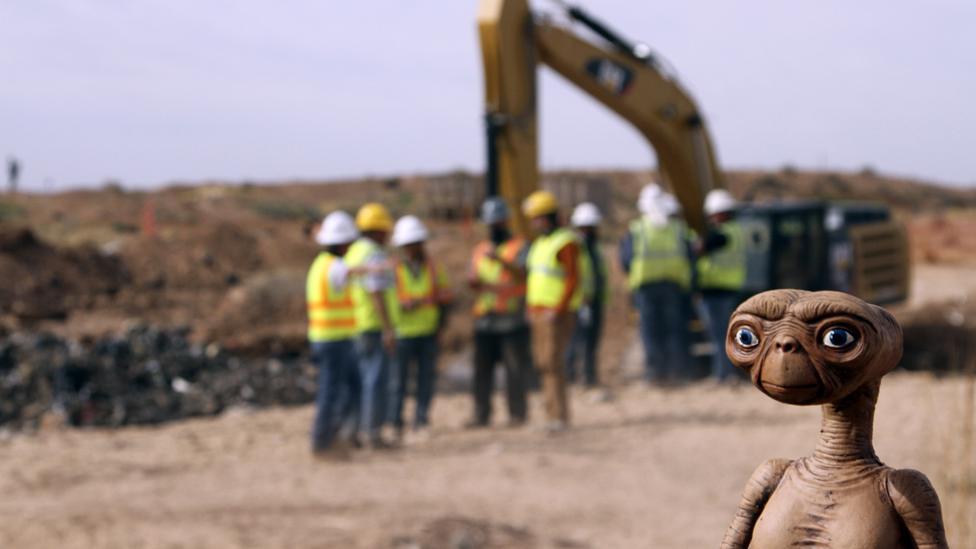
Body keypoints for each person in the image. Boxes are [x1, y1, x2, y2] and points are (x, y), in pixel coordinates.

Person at [523, 190, 586, 432]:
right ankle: (551, 414)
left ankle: (559, 416)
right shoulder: (540, 244)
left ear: (547, 217)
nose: (532, 223)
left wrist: (558, 308)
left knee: (552, 363)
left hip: (555, 314)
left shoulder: (565, 242)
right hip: (538, 312)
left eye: (535, 217)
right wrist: (531, 308)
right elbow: (535, 279)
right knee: (543, 363)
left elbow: (572, 279)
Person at [467, 197, 532, 428]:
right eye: (490, 223)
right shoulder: (480, 249)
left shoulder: (520, 247)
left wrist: (502, 261)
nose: (493, 227)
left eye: (497, 223)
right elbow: (473, 278)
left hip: (512, 320)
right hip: (485, 319)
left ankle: (517, 414)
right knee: (481, 371)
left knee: (514, 370)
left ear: (506, 221)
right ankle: (480, 414)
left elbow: (525, 274)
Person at [389, 215, 452, 440]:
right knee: (399, 381)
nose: (411, 248)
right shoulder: (394, 269)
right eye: (407, 245)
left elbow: (446, 298)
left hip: (428, 332)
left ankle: (421, 419)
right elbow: (388, 299)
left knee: (426, 380)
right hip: (403, 333)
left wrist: (441, 328)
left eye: (414, 243)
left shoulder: (435, 268)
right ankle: (396, 421)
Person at [619, 191, 693, 384]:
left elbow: (626, 259)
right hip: (673, 286)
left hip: (646, 288)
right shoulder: (678, 228)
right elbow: (690, 254)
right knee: (673, 330)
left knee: (650, 331)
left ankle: (655, 374)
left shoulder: (637, 229)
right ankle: (677, 372)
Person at [305, 211, 362, 458]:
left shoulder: (319, 264)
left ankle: (337, 438)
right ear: (342, 242)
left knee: (347, 389)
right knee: (333, 392)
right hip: (333, 340)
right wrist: (379, 267)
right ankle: (323, 442)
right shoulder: (336, 266)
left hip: (326, 338)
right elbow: (352, 273)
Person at [344, 203, 398, 449]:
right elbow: (376, 292)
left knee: (359, 380)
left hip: (355, 324)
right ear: (377, 230)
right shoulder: (374, 254)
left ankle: (353, 431)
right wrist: (388, 328)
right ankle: (372, 433)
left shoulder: (353, 252)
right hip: (373, 325)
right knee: (375, 380)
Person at [696, 189, 748, 383]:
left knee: (718, 335)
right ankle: (725, 373)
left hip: (715, 291)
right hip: (726, 289)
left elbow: (701, 248)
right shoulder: (736, 231)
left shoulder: (723, 234)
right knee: (723, 334)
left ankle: (722, 374)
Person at [564, 202, 609, 388]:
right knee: (575, 341)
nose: (588, 231)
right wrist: (581, 298)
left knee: (591, 342)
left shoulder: (596, 248)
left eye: (591, 227)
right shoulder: (574, 247)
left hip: (596, 301)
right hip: (579, 302)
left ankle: (590, 377)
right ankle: (571, 377)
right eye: (585, 227)